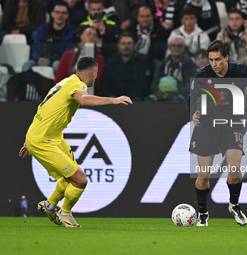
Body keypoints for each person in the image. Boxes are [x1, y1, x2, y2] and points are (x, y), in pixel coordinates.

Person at [18, 56, 132, 227]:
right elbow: (84, 99)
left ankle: (50, 205)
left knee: (72, 175)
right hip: (43, 140)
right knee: (80, 179)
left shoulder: (65, 82)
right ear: (94, 73)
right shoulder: (77, 85)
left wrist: (30, 139)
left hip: (49, 136)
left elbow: (44, 108)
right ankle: (65, 213)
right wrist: (113, 100)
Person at [187, 40, 247, 226]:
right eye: (211, 60)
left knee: (234, 169)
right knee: (204, 175)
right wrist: (193, 112)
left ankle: (234, 205)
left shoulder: (240, 72)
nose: (214, 64)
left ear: (227, 57)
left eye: (218, 59)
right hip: (206, 126)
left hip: (232, 124)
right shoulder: (202, 75)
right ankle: (203, 213)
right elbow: (191, 97)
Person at [22, 1, 76, 72]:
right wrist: (38, 58)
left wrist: (50, 60)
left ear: (67, 15)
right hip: (41, 59)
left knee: (57, 65)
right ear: (52, 14)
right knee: (27, 65)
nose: (60, 15)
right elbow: (36, 48)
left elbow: (66, 53)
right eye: (57, 12)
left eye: (63, 13)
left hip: (57, 60)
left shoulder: (71, 32)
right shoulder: (42, 29)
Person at [99, 32, 152, 101]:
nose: (126, 46)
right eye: (123, 43)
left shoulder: (143, 62)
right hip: (114, 100)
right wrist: (112, 96)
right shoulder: (111, 63)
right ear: (118, 45)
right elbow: (105, 84)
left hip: (135, 100)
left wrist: (127, 98)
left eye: (129, 43)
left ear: (134, 45)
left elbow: (142, 85)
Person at [54, 27, 104, 95]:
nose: (92, 36)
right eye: (89, 34)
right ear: (81, 37)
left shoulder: (99, 58)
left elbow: (95, 79)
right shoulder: (67, 55)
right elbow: (59, 78)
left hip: (89, 93)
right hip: (67, 92)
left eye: (95, 35)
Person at [148, 35, 197, 101]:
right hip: (162, 95)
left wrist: (175, 94)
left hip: (180, 96)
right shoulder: (162, 64)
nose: (176, 48)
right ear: (169, 48)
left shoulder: (189, 64)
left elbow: (190, 86)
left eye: (179, 46)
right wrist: (157, 91)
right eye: (173, 45)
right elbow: (154, 83)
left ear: (183, 48)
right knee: (148, 99)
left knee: (175, 100)